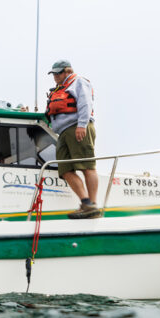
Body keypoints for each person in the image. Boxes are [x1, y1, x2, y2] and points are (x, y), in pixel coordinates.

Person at [45, 59, 100, 219]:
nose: (55, 76)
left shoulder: (79, 82)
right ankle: (86, 203)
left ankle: (93, 204)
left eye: (58, 73)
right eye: (53, 74)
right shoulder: (59, 89)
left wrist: (82, 125)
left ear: (67, 71)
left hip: (77, 127)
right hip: (63, 132)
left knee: (87, 166)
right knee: (65, 169)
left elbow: (85, 104)